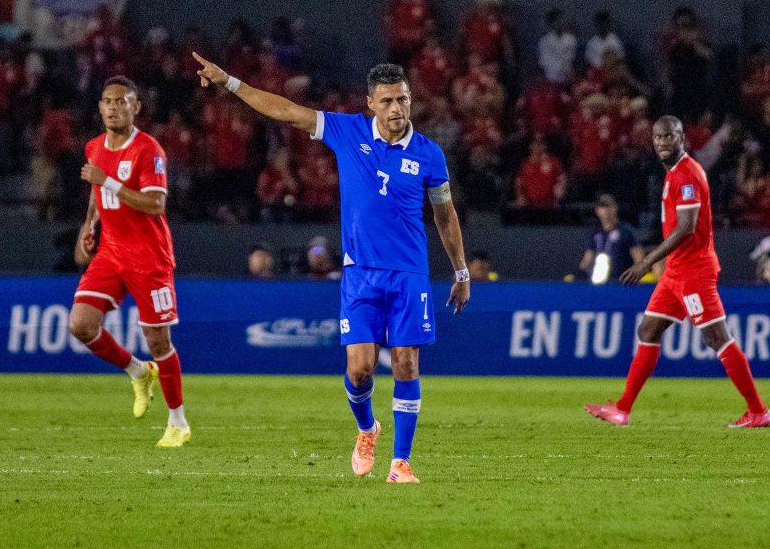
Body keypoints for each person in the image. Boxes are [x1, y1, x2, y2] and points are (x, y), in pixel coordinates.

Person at [193, 54, 470, 484]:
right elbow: (286, 110)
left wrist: (461, 272)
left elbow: (445, 216)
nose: (396, 108)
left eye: (403, 99)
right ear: (370, 104)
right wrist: (230, 82)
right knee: (359, 370)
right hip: (360, 274)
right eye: (387, 101)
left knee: (406, 364)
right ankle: (367, 428)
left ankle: (400, 463)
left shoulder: (429, 154)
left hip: (409, 273)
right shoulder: (347, 131)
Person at [585, 116, 770, 428]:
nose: (662, 142)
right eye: (657, 137)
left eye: (668, 136)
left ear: (681, 138)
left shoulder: (687, 174)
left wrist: (647, 261)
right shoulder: (674, 173)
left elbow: (686, 227)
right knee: (648, 330)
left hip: (693, 271)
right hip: (675, 272)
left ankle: (758, 411)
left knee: (717, 337)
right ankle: (622, 409)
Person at [68, 76, 190, 448]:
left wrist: (108, 182)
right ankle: (137, 371)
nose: (113, 107)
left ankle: (178, 422)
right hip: (111, 252)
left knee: (158, 341)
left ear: (135, 107)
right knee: (80, 325)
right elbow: (96, 191)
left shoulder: (148, 150)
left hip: (149, 257)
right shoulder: (94, 147)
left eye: (121, 101)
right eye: (107, 101)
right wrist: (89, 225)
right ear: (100, 107)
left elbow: (155, 204)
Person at [578, 194, 643, 285]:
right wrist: (580, 273)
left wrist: (635, 275)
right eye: (602, 207)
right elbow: (588, 258)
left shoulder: (625, 230)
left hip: (621, 280)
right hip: (600, 281)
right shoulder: (595, 232)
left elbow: (638, 256)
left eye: (609, 206)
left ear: (615, 208)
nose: (606, 210)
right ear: (597, 210)